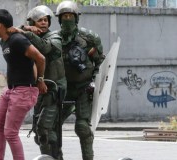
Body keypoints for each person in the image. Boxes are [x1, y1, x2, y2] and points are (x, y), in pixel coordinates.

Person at [8, 5, 66, 159]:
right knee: (41, 133)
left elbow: (45, 49)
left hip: (54, 90)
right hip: (40, 90)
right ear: (33, 22)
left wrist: (25, 32)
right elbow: (12, 34)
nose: (44, 23)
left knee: (45, 128)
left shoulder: (55, 37)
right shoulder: (31, 36)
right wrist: (24, 28)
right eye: (39, 20)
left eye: (46, 20)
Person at [0, 9, 46, 160]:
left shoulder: (17, 40)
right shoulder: (5, 40)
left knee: (10, 133)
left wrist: (40, 80)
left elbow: (40, 58)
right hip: (11, 89)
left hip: (24, 91)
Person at [56, 1, 105, 160]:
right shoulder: (55, 38)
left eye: (70, 16)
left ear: (76, 18)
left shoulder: (89, 38)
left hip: (83, 88)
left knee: (83, 127)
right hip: (62, 88)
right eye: (64, 16)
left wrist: (94, 81)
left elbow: (100, 61)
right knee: (51, 128)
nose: (67, 19)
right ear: (59, 19)